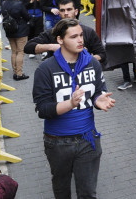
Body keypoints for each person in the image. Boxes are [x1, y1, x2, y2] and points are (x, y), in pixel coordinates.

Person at [32, 19, 115, 199]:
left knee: (87, 193)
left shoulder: (93, 63)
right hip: (57, 142)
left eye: (81, 35)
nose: (80, 41)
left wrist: (98, 100)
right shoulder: (45, 69)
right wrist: (70, 104)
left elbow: (98, 92)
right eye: (74, 36)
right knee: (62, 190)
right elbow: (42, 110)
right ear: (60, 40)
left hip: (88, 139)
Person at [24, 0, 106, 65]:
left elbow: (102, 55)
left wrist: (86, 59)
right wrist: (53, 47)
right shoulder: (52, 32)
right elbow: (28, 47)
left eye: (69, 9)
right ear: (59, 13)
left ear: (76, 11)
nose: (66, 13)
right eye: (62, 10)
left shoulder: (88, 32)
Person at [1, 0, 31, 81]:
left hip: (9, 29)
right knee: (20, 51)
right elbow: (26, 16)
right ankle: (19, 73)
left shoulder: (3, 3)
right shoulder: (19, 4)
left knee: (14, 52)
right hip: (20, 29)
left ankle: (15, 72)